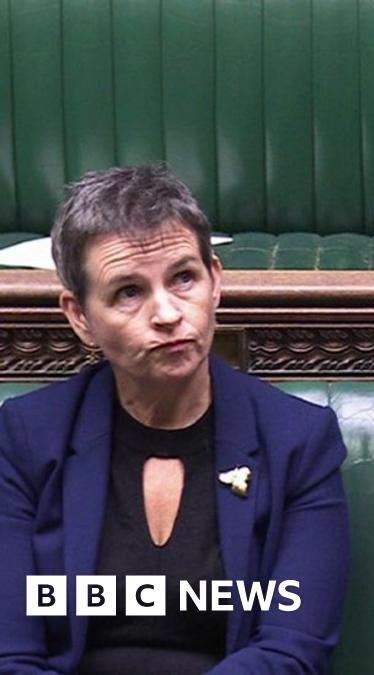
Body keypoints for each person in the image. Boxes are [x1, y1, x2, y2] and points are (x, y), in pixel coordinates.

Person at [0, 165, 351, 673]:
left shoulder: (297, 441)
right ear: (80, 317)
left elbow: (291, 650)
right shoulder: (27, 437)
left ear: (215, 281)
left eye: (184, 278)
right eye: (128, 292)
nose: (167, 314)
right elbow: (11, 654)